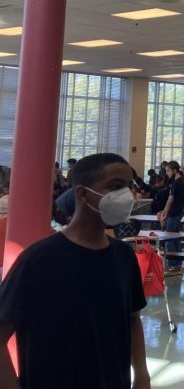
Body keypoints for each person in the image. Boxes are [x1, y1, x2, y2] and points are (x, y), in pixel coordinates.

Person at [0, 153, 150, 389]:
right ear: (82, 194)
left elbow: (132, 320)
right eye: (115, 187)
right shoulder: (38, 260)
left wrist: (142, 376)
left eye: (129, 186)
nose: (126, 196)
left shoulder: (123, 256)